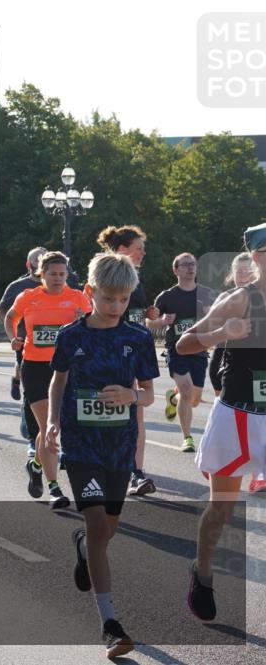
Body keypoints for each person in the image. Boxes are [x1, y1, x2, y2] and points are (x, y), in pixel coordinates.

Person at [46, 252, 158, 659]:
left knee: (107, 529)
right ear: (90, 292)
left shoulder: (138, 338)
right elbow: (58, 380)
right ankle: (110, 624)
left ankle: (82, 548)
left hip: (118, 443)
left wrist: (132, 396)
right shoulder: (71, 336)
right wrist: (52, 422)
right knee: (97, 525)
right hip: (81, 445)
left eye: (124, 300)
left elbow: (148, 393)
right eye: (109, 298)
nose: (116, 307)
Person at [176, 222, 266, 624]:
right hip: (239, 416)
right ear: (257, 257)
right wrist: (222, 332)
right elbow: (184, 344)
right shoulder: (239, 300)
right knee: (222, 509)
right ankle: (204, 572)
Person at [5, 251, 91, 509]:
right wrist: (13, 337)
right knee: (48, 427)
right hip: (35, 367)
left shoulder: (77, 298)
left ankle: (36, 465)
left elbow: (91, 327)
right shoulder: (28, 297)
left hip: (66, 369)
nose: (57, 279)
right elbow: (10, 317)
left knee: (58, 426)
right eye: (52, 274)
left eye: (62, 274)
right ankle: (55, 488)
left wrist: (81, 322)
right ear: (41, 274)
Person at [97, 225, 159, 496]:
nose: (144, 253)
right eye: (139, 248)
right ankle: (101, 466)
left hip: (134, 350)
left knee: (137, 412)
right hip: (106, 352)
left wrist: (147, 315)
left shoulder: (136, 278)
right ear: (123, 250)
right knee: (108, 413)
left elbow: (132, 315)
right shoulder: (104, 276)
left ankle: (136, 471)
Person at [148, 253, 216, 453]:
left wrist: (211, 314)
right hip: (176, 349)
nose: (190, 268)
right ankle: (187, 438)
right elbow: (149, 321)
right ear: (175, 270)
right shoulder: (167, 296)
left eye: (193, 264)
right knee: (187, 392)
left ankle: (173, 398)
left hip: (199, 349)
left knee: (194, 399)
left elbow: (220, 318)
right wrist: (161, 321)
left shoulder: (206, 293)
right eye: (185, 265)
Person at [208, 253, 263, 493]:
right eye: (238, 272)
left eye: (246, 271)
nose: (243, 276)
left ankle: (260, 473)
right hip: (232, 373)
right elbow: (216, 349)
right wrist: (217, 381)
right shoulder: (230, 298)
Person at [0, 247, 49, 455]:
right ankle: (31, 434)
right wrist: (13, 336)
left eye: (44, 258)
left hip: (57, 349)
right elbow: (2, 311)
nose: (40, 262)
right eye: (37, 259)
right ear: (29, 265)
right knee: (33, 391)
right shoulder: (19, 287)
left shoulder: (64, 286)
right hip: (26, 343)